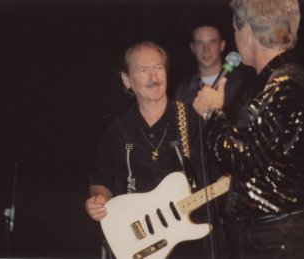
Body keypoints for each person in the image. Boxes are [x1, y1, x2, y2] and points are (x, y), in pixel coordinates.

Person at [193, 0, 304, 258]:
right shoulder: (283, 79)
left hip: (280, 240)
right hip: (278, 238)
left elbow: (237, 157)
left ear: (246, 30)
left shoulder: (283, 83)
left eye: (235, 29)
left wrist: (212, 113)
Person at [85, 41, 217, 258]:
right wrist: (98, 198)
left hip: (188, 243)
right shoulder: (117, 130)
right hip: (137, 241)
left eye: (158, 68)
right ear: (127, 80)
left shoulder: (192, 119)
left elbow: (217, 169)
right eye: (143, 70)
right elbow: (101, 178)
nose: (154, 78)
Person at [175, 22, 255, 123]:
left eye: (212, 42)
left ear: (222, 45)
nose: (206, 49)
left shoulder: (242, 85)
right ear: (192, 48)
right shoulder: (183, 90)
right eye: (200, 43)